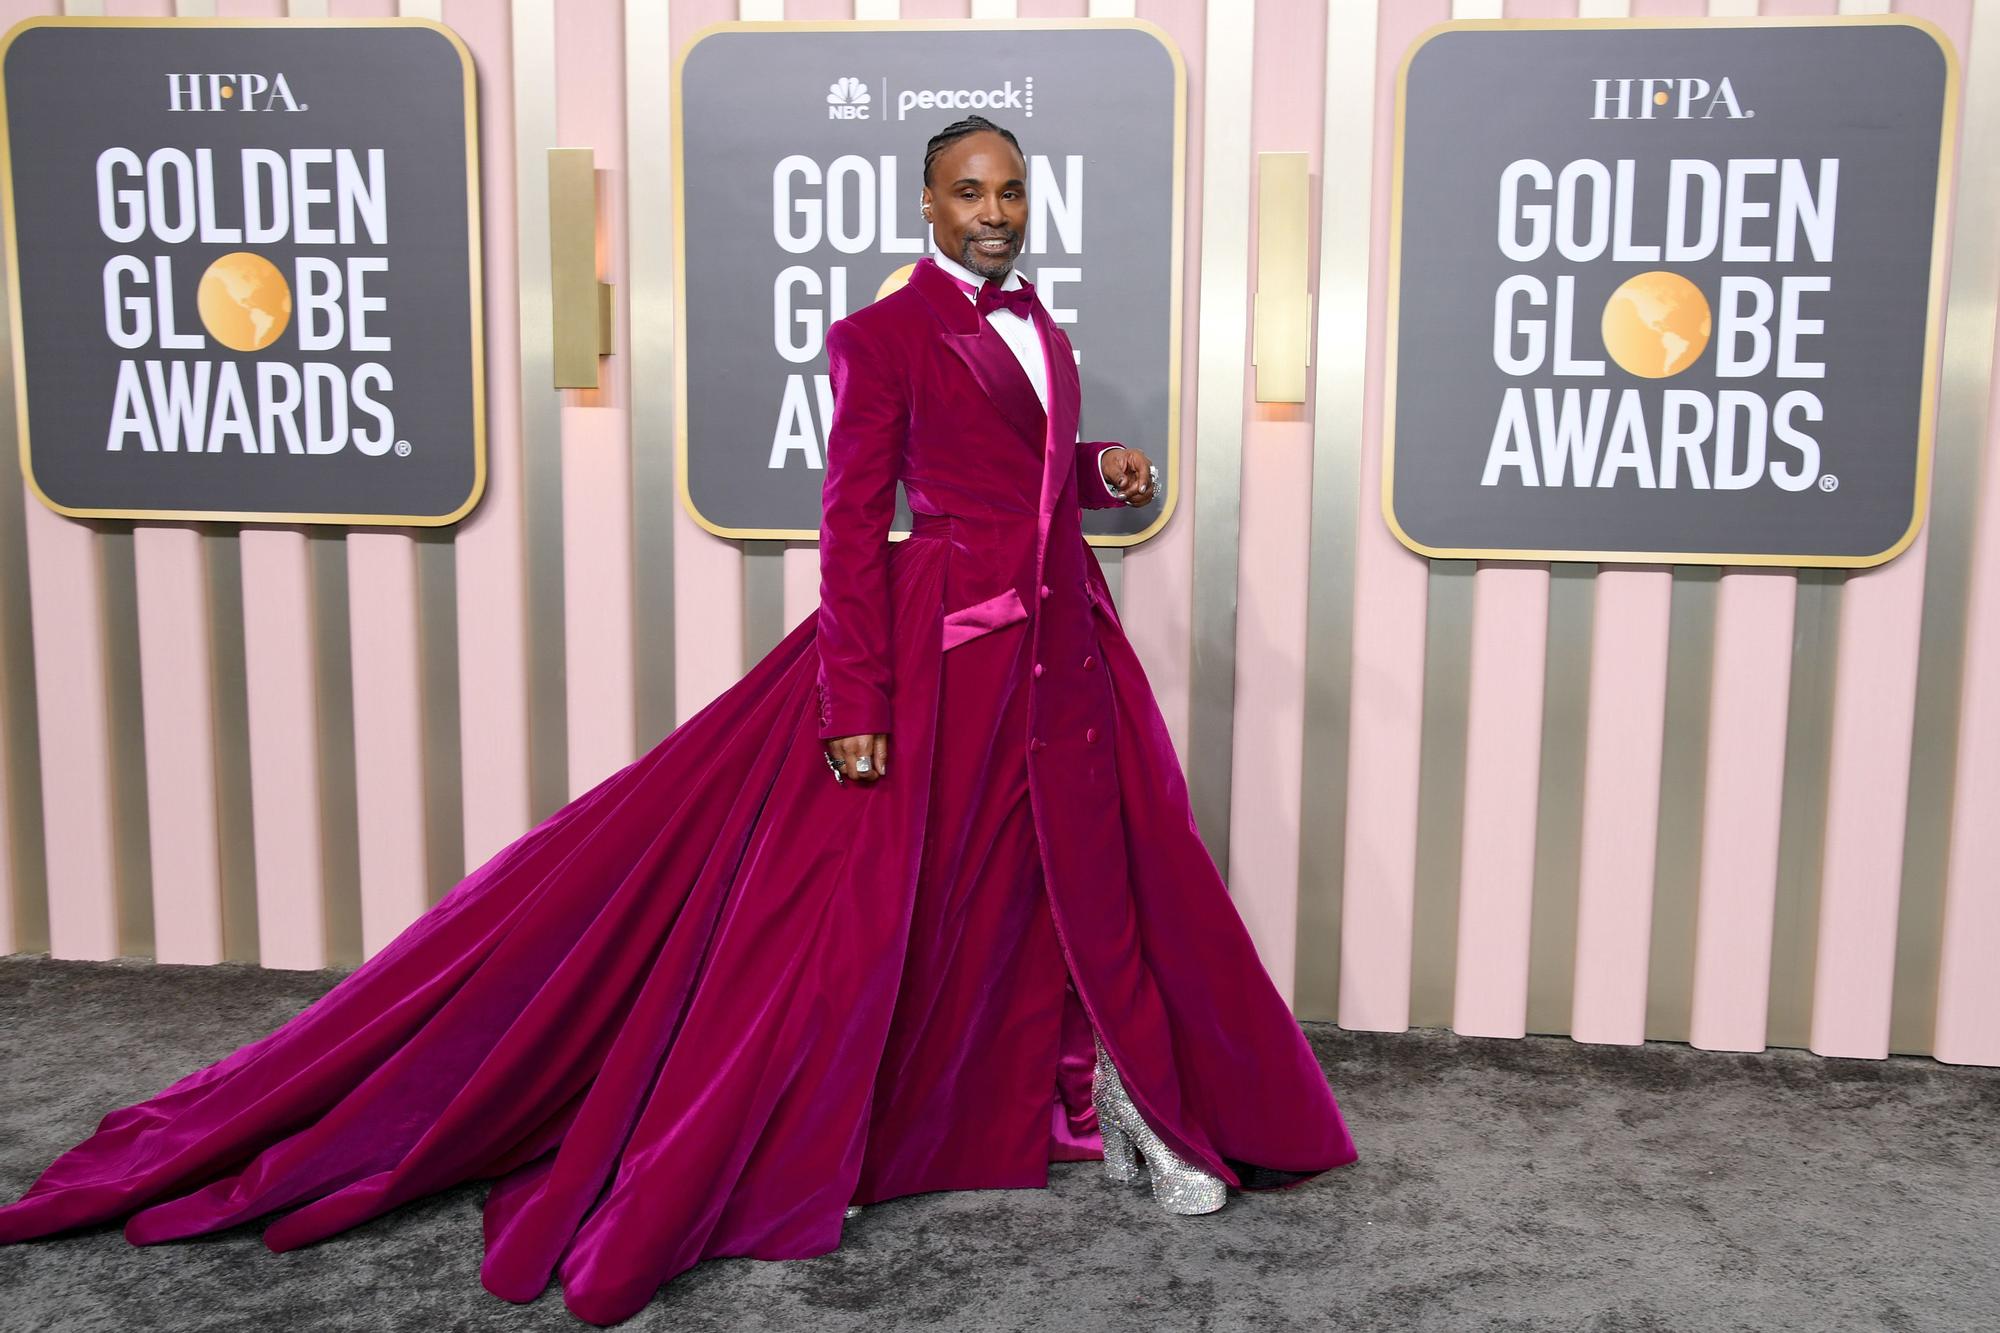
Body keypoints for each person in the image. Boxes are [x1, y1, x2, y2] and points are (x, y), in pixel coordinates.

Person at [0, 113, 1356, 1326]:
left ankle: (1099, 1106)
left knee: (1068, 885)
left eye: (1011, 190)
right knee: (874, 914)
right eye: (969, 192)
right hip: (943, 652)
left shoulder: (1041, 324)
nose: (995, 211)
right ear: (926, 206)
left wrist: (1098, 469)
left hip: (1062, 651)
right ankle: (904, 1123)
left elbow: (1020, 471)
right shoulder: (880, 337)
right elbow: (850, 520)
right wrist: (854, 699)